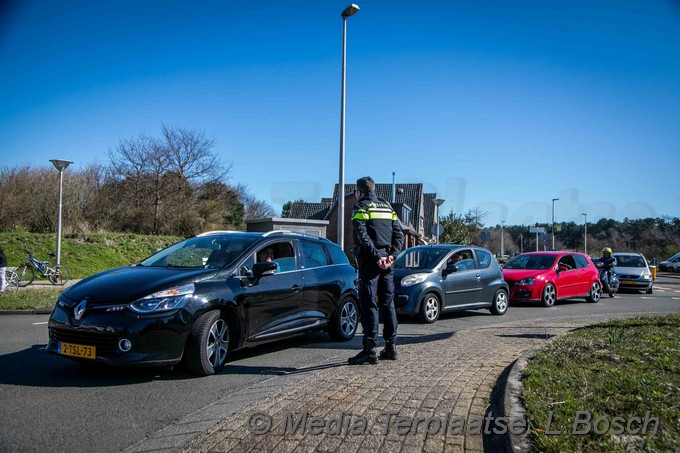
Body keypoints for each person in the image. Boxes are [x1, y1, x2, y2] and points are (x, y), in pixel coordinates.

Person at [348, 176, 404, 365]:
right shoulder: (387, 207)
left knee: (369, 303)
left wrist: (376, 257)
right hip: (387, 262)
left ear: (359, 191)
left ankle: (370, 350)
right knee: (387, 303)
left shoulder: (361, 207)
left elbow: (361, 234)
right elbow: (399, 234)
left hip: (371, 262)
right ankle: (391, 347)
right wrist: (392, 256)